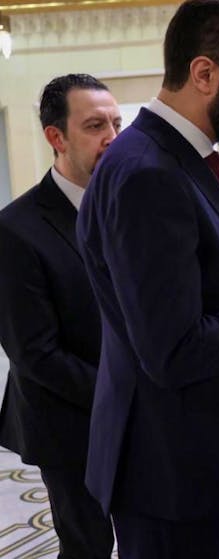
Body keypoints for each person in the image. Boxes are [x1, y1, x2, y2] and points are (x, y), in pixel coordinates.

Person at [75, 1, 219, 556]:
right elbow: (174, 351)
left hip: (187, 465)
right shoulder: (148, 174)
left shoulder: (171, 159)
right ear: (204, 74)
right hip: (170, 478)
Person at [0, 73, 119, 559]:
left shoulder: (130, 208)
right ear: (56, 137)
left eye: (116, 123)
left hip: (139, 414)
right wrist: (122, 397)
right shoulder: (15, 229)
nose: (112, 137)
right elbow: (35, 354)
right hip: (67, 421)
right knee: (88, 546)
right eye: (94, 126)